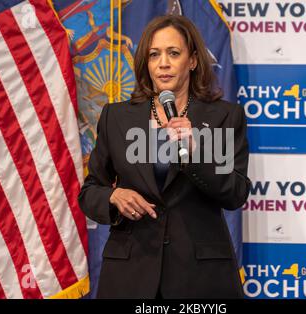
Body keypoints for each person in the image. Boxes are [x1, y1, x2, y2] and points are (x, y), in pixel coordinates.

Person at [78, 15, 251, 299]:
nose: (163, 63)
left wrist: (197, 153)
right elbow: (90, 191)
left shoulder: (224, 116)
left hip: (200, 276)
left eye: (174, 53)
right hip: (131, 273)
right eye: (154, 54)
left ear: (193, 60)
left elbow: (236, 193)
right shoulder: (117, 117)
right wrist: (113, 196)